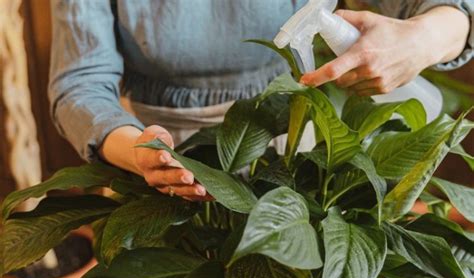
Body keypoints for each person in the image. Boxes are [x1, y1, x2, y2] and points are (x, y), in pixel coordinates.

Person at [49, 0, 472, 201]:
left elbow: (444, 10)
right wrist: (143, 153)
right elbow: (80, 85)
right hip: (154, 160)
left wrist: (425, 37)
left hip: (290, 161)